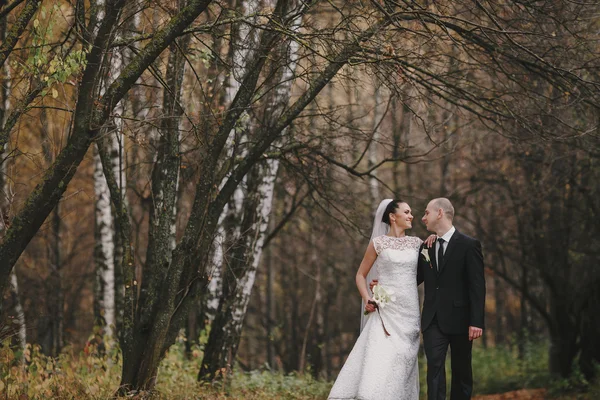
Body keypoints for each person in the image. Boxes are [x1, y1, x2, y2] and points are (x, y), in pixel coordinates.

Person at [328, 199, 434, 400]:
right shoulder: (378, 243)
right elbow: (360, 275)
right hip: (386, 313)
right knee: (381, 360)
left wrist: (433, 240)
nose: (411, 216)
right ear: (393, 217)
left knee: (403, 364)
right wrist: (368, 298)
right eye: (407, 212)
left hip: (409, 315)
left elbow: (427, 272)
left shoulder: (417, 243)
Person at [417, 198, 486, 400]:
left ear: (439, 213)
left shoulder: (469, 245)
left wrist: (476, 321)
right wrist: (384, 285)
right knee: (435, 370)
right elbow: (413, 279)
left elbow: (477, 286)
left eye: (426, 213)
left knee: (461, 371)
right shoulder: (426, 247)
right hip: (432, 320)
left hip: (461, 320)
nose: (423, 218)